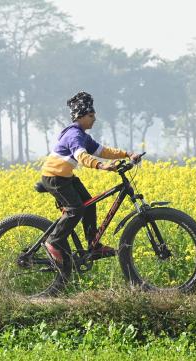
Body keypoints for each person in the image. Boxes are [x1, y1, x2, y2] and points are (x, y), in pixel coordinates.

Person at [41, 91, 141, 266]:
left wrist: (127, 154)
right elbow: (82, 156)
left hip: (65, 177)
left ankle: (93, 245)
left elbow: (103, 151)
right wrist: (102, 166)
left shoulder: (83, 135)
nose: (94, 119)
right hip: (54, 178)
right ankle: (53, 242)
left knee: (89, 203)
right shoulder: (74, 135)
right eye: (90, 115)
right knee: (76, 209)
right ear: (80, 116)